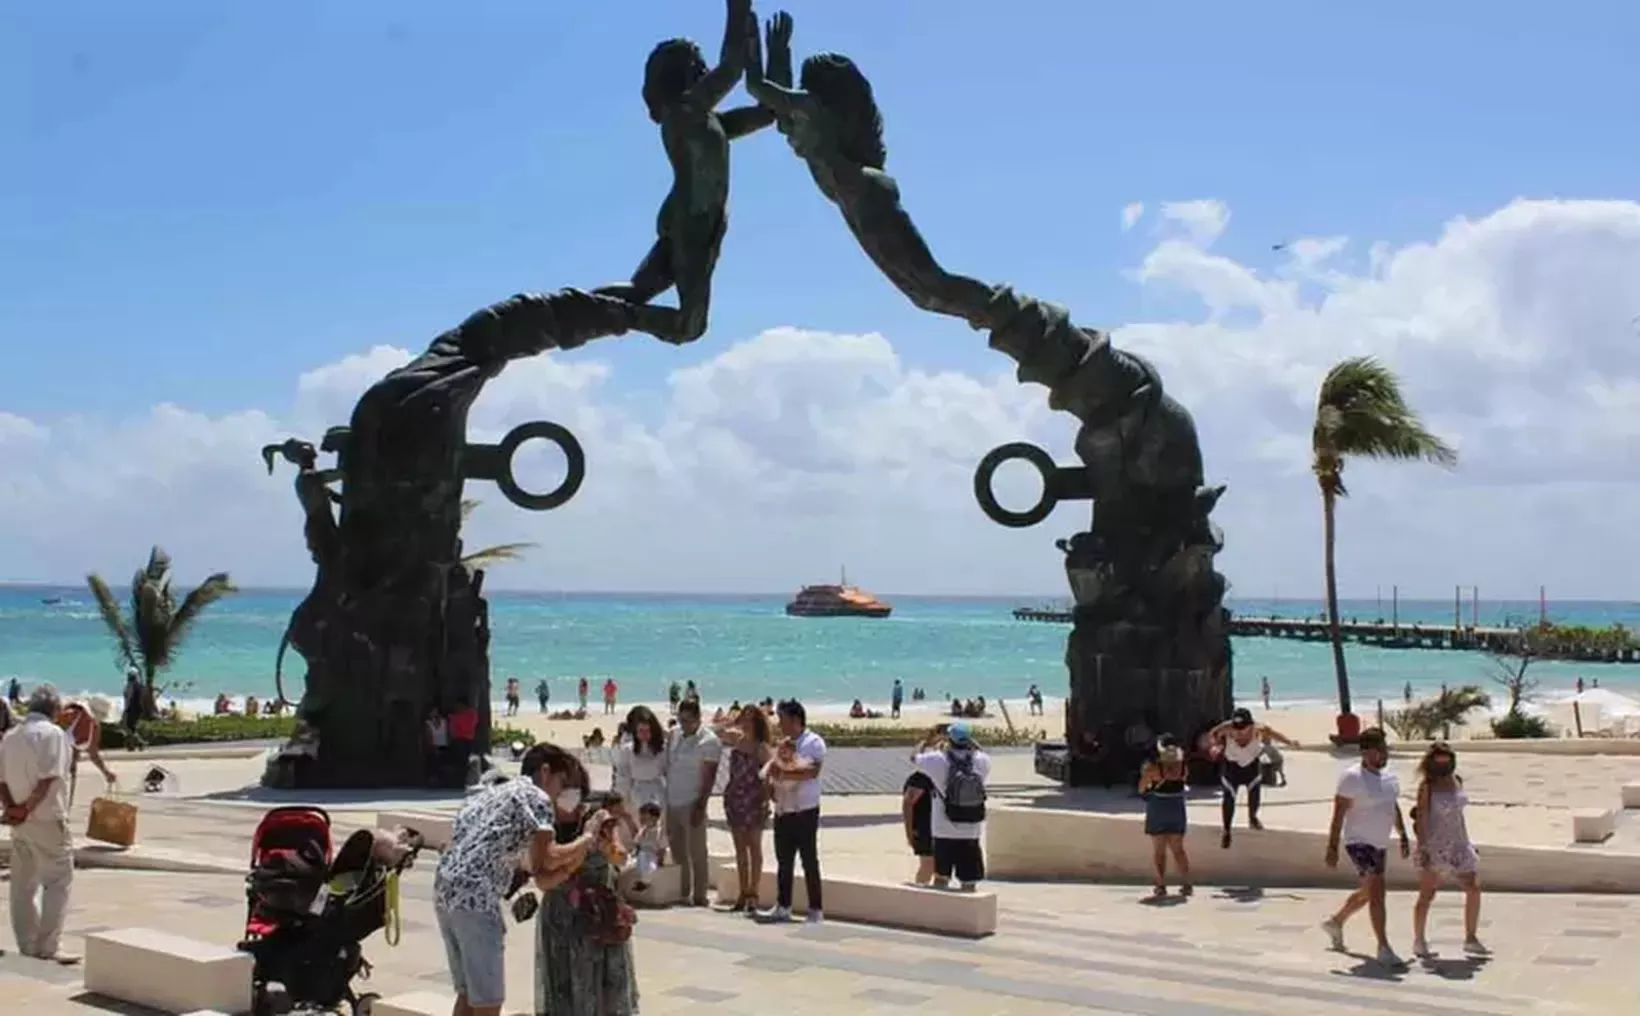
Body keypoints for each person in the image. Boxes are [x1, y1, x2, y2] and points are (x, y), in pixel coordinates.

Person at [742, 11, 996, 328]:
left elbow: (757, 86)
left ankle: (1014, 314)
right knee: (923, 295)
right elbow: (775, 104)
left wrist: (745, 35)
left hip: (864, 193)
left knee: (933, 283)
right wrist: (779, 52)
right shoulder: (805, 118)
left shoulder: (809, 107)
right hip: (856, 196)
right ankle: (1003, 318)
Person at [597, 0, 773, 346]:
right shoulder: (683, 112)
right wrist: (737, 12)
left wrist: (769, 57)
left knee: (637, 291)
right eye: (698, 66)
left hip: (697, 219)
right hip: (691, 219)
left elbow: (768, 113)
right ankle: (585, 312)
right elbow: (731, 68)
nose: (705, 72)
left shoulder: (710, 123)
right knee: (687, 326)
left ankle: (573, 310)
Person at [434, 742, 605, 1016]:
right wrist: (587, 838)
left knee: (468, 995)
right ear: (546, 772)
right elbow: (548, 858)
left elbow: (540, 871)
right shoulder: (536, 797)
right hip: (476, 898)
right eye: (563, 782)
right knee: (488, 1001)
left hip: (446, 892)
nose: (562, 792)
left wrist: (569, 863)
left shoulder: (493, 794)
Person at [535, 786, 640, 1015]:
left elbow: (619, 856)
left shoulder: (563, 820)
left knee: (575, 975)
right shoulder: (594, 822)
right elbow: (619, 856)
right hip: (581, 912)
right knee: (584, 975)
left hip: (575, 909)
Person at [0, 685, 79, 964]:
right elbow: (48, 779)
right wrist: (27, 808)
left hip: (19, 822)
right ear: (54, 710)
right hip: (46, 818)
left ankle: (27, 944)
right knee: (58, 881)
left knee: (22, 884)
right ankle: (48, 946)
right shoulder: (53, 734)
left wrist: (12, 809)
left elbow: (3, 781)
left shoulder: (11, 736)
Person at [1321, 727, 1410, 968]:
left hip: (1380, 842)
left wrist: (1402, 833)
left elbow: (1393, 807)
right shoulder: (1351, 778)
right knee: (1378, 891)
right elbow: (1338, 814)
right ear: (1366, 752)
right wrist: (1332, 847)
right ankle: (1384, 947)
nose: (1384, 755)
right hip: (1358, 842)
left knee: (1370, 891)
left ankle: (1336, 921)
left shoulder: (1390, 777)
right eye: (1379, 750)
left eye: (1385, 749)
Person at [1410, 743, 1487, 958]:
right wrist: (1423, 847)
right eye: (1440, 759)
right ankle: (1419, 939)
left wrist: (1468, 842)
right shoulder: (1428, 787)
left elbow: (1459, 815)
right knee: (1427, 893)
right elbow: (1422, 818)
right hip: (1435, 844)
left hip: (1459, 842)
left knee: (1473, 888)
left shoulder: (1457, 780)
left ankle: (1471, 937)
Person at [764, 699, 826, 922]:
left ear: (795, 719)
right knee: (784, 860)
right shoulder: (783, 744)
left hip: (805, 809)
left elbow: (812, 771)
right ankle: (783, 904)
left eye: (783, 719)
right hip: (783, 808)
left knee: (809, 859)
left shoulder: (814, 742)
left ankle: (816, 908)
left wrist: (786, 775)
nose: (780, 724)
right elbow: (772, 767)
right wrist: (772, 785)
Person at [913, 721, 990, 891]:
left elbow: (914, 758)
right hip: (971, 830)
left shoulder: (937, 759)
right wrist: (972, 741)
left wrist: (927, 741)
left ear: (949, 738)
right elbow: (982, 752)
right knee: (969, 883)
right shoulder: (982, 761)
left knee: (941, 879)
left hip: (943, 830)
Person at [1208, 707, 1299, 848]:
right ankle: (1226, 830)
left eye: (1243, 728)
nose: (1239, 732)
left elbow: (1275, 735)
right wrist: (1215, 745)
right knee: (1229, 797)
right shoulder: (1226, 728)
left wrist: (1291, 742)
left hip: (1251, 765)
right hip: (1231, 766)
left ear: (1250, 725)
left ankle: (1253, 817)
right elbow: (1212, 734)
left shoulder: (1259, 729)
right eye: (1236, 728)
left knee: (1254, 790)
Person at [714, 701, 773, 913]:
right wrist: (730, 720)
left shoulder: (762, 747)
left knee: (754, 847)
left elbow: (770, 774)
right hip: (735, 798)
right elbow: (716, 731)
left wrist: (765, 799)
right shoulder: (736, 740)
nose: (746, 721)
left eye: (750, 717)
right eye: (744, 717)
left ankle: (753, 893)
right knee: (740, 848)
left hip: (754, 800)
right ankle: (742, 892)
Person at [663, 698, 720, 906]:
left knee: (697, 851)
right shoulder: (674, 734)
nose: (684, 724)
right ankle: (683, 891)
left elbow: (709, 777)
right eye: (681, 719)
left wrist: (701, 805)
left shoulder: (709, 741)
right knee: (677, 851)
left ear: (698, 718)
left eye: (688, 720)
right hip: (672, 800)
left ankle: (700, 894)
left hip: (692, 800)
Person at [1138, 734, 1192, 899]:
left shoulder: (1153, 769)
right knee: (1178, 849)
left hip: (1158, 808)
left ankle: (1161, 884)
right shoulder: (1183, 768)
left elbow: (1141, 788)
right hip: (1176, 807)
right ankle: (1187, 883)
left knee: (1159, 850)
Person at [55, 700, 116, 805]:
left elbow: (93, 753)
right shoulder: (71, 714)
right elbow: (51, 731)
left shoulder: (95, 727)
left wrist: (106, 773)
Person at [902, 726, 941, 885]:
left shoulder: (937, 775)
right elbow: (907, 805)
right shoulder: (920, 778)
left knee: (939, 868)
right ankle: (919, 896)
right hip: (924, 827)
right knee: (928, 866)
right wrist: (909, 832)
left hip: (938, 826)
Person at [612, 706, 667, 810]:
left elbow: (669, 773)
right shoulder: (627, 750)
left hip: (658, 794)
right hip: (635, 794)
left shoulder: (662, 749)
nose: (644, 734)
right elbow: (622, 776)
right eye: (641, 730)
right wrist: (622, 798)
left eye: (648, 730)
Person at [626, 802, 666, 892]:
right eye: (641, 817)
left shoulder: (659, 832)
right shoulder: (643, 830)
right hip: (641, 855)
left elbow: (662, 848)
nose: (642, 820)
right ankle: (641, 882)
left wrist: (660, 860)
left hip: (653, 855)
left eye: (645, 817)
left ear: (654, 818)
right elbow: (637, 843)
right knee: (635, 861)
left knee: (650, 866)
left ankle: (644, 882)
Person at [119, 667, 146, 751]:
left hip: (131, 709)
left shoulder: (131, 685)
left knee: (125, 726)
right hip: (138, 709)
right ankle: (132, 745)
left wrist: (126, 709)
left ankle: (139, 742)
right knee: (131, 728)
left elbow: (129, 698)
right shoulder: (139, 685)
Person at [424, 706, 450, 782]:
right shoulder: (428, 723)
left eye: (435, 712)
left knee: (441, 762)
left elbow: (448, 733)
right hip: (432, 746)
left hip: (443, 745)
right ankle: (433, 778)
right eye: (432, 712)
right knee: (433, 762)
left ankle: (441, 778)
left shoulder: (444, 721)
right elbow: (428, 735)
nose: (434, 714)